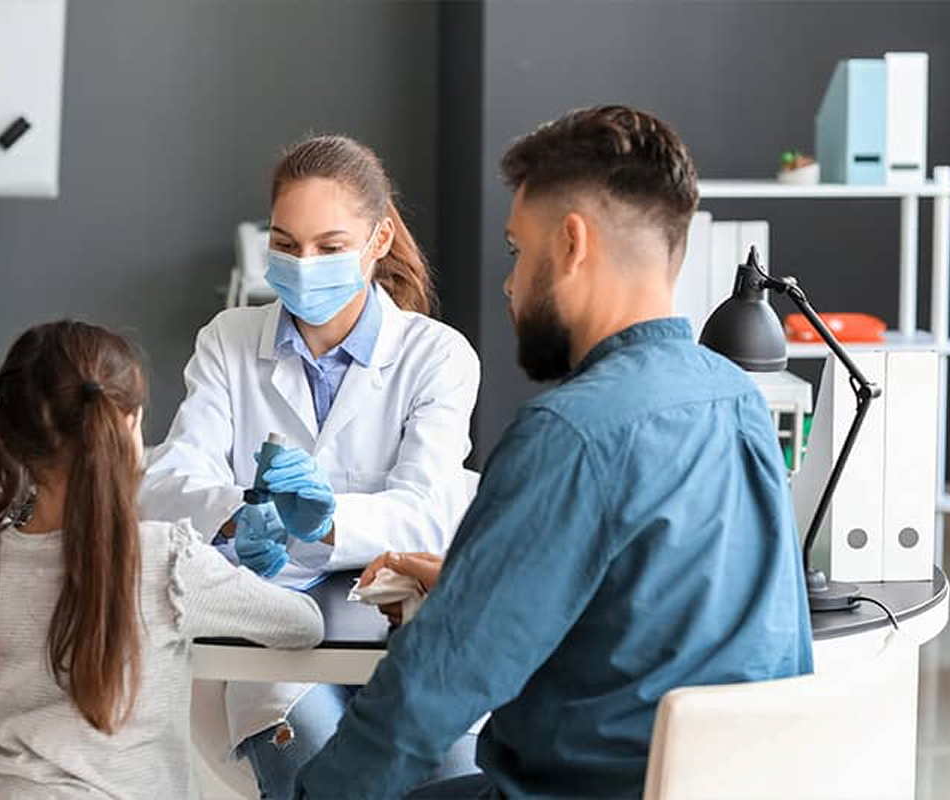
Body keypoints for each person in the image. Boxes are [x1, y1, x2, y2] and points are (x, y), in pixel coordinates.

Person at [295, 105, 814, 800]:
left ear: (571, 244)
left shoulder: (568, 434)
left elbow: (428, 692)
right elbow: (687, 623)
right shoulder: (737, 399)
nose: (510, 285)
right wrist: (469, 584)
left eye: (518, 250)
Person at [140, 135, 481, 798]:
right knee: (324, 780)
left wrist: (326, 523)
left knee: (458, 783)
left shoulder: (437, 356)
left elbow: (427, 512)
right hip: (278, 642)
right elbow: (167, 483)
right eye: (286, 244)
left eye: (330, 246)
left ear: (379, 240)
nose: (304, 265)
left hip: (409, 632)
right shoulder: (229, 341)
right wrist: (237, 515)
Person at [0, 320, 324, 799]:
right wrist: (239, 570)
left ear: (9, 434)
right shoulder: (165, 560)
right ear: (129, 427)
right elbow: (303, 625)